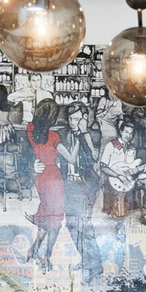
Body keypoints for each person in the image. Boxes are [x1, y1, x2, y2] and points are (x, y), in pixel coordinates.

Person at [59, 102, 104, 282]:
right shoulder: (64, 134)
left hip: (86, 185)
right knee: (71, 224)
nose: (72, 122)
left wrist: (84, 133)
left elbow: (94, 157)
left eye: (77, 119)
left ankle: (96, 265)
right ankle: (87, 259)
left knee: (84, 224)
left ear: (85, 119)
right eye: (70, 118)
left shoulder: (93, 134)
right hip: (69, 184)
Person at [25, 99, 65, 269]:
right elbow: (69, 157)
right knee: (55, 221)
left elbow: (28, 152)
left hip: (40, 178)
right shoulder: (55, 137)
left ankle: (34, 249)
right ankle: (47, 256)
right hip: (54, 179)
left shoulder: (29, 130)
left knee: (48, 218)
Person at [102, 118, 146, 230]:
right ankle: (119, 224)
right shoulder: (111, 145)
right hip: (114, 181)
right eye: (126, 132)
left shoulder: (132, 149)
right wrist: (118, 176)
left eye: (131, 133)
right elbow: (103, 166)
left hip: (129, 180)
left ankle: (144, 215)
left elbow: (131, 168)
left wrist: (143, 169)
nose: (128, 135)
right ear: (121, 132)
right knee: (120, 202)